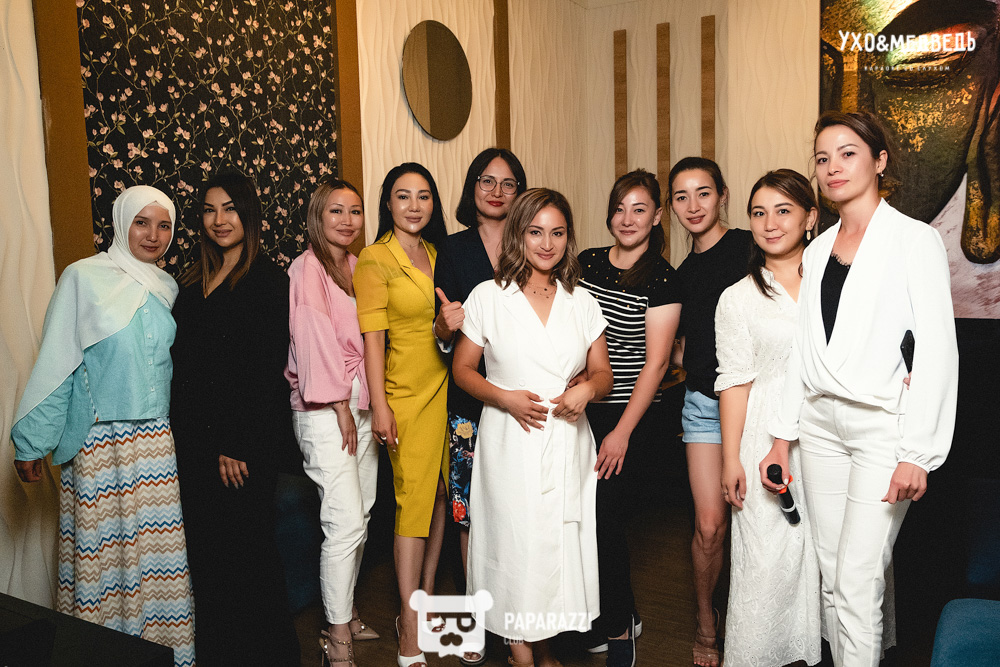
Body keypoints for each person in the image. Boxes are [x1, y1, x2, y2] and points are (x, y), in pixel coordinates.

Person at [764, 111, 959, 666]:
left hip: (880, 430)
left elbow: (938, 349)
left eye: (848, 153)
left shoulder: (914, 240)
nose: (833, 167)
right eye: (822, 158)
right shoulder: (818, 249)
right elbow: (803, 352)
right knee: (831, 576)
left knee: (856, 580)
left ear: (879, 161)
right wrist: (780, 439)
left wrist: (918, 452)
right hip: (819, 427)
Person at [11, 186, 195, 667]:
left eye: (164, 225)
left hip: (154, 445)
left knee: (156, 561)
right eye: (141, 222)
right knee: (104, 565)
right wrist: (31, 443)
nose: (153, 235)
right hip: (99, 446)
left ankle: (160, 655)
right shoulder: (83, 278)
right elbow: (58, 365)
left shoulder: (166, 286)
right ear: (120, 223)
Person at [453, 188, 613, 667]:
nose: (547, 243)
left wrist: (588, 390)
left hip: (566, 438)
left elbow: (603, 373)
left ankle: (542, 647)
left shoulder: (581, 300)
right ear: (518, 235)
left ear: (568, 238)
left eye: (557, 233)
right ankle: (520, 647)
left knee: (552, 545)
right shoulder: (488, 296)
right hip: (510, 439)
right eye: (536, 232)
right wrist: (504, 398)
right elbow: (463, 370)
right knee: (514, 542)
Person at [170, 172, 299, 666]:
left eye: (229, 208)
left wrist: (236, 443)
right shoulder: (189, 282)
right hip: (193, 443)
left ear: (248, 214)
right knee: (207, 558)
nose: (219, 220)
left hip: (241, 446)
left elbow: (264, 371)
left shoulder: (268, 281)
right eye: (209, 210)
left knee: (249, 556)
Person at [715, 169, 821, 667]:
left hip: (827, 429)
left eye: (783, 210)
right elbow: (735, 381)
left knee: (829, 554)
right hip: (763, 436)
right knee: (766, 559)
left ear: (810, 217)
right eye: (759, 213)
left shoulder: (834, 281)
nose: (770, 223)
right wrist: (730, 458)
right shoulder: (737, 297)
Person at [577, 169, 681, 666]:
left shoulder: (662, 278)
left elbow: (656, 364)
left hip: (629, 417)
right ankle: (622, 613)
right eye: (620, 208)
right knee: (587, 520)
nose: (627, 218)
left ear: (657, 216)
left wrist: (620, 433)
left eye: (639, 209)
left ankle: (620, 631)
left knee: (606, 521)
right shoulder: (587, 262)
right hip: (583, 408)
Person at [433, 147, 527, 666]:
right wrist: (442, 327)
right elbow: (441, 331)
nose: (496, 191)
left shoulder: (531, 243)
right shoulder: (452, 249)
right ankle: (473, 622)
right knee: (466, 512)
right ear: (472, 189)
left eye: (508, 183)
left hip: (522, 402)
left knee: (513, 510)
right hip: (469, 402)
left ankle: (515, 619)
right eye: (486, 181)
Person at [353, 163, 449, 667]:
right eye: (403, 195)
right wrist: (381, 406)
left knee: (440, 494)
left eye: (424, 196)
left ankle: (425, 598)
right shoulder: (375, 258)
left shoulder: (437, 253)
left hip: (447, 387)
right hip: (405, 395)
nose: (414, 205)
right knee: (411, 503)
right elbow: (373, 340)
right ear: (387, 203)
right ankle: (408, 624)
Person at [286, 179, 379, 667]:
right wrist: (341, 404)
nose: (347, 220)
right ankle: (337, 637)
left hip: (362, 405)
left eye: (355, 211)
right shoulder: (307, 268)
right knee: (343, 522)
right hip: (326, 410)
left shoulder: (358, 267)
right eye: (336, 211)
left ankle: (346, 611)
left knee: (361, 516)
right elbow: (312, 338)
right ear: (317, 217)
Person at [670, 156, 752, 667]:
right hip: (702, 406)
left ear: (722, 195)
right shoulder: (679, 275)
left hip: (756, 404)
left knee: (760, 528)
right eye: (681, 197)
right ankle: (706, 623)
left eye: (703, 193)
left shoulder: (750, 245)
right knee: (709, 526)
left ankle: (758, 626)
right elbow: (680, 345)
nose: (693, 205)